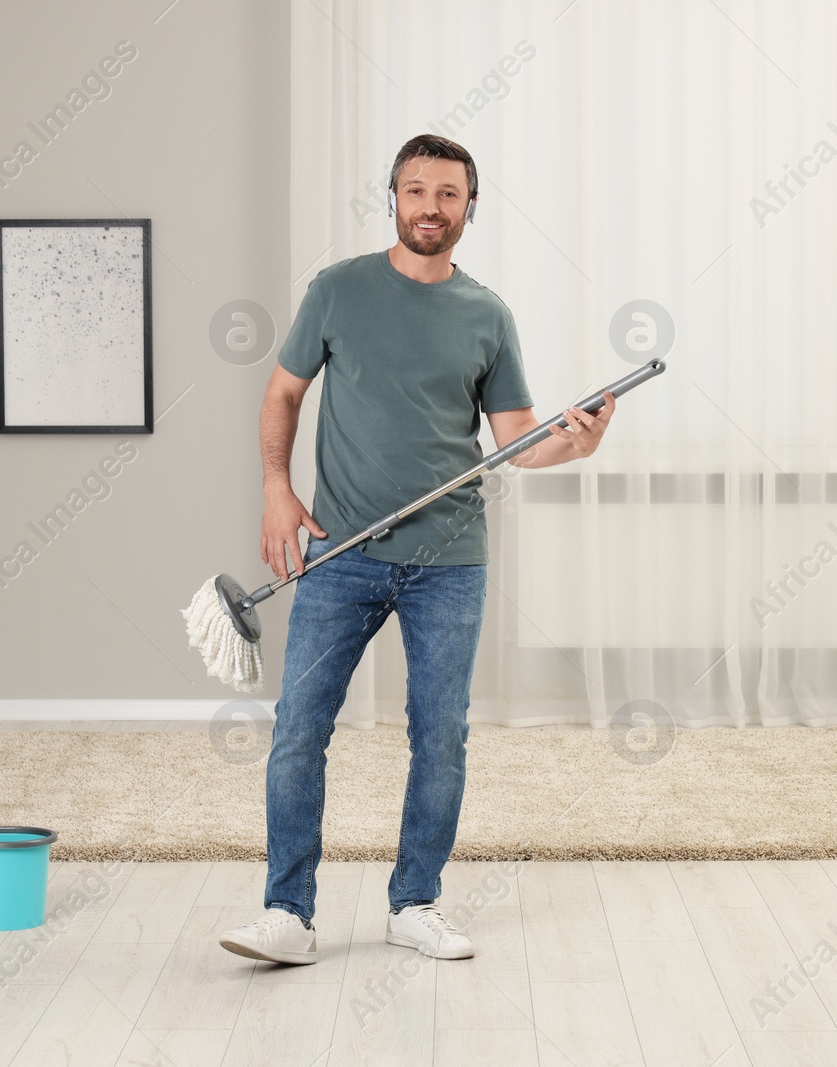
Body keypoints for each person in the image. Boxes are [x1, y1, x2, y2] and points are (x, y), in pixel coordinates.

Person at [219, 134, 617, 965]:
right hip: (342, 551)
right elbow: (283, 391)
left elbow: (516, 441)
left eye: (447, 194)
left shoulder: (487, 315)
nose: (430, 206)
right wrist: (276, 489)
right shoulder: (337, 291)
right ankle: (288, 913)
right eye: (415, 190)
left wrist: (574, 446)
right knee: (299, 727)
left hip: (450, 557)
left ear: (471, 206)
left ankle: (415, 902)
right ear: (392, 198)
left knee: (441, 734)